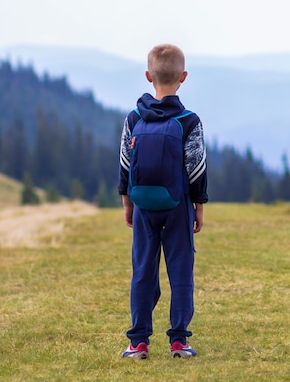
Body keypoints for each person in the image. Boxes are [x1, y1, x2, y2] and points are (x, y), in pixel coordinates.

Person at [117, 44, 208, 359]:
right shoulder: (189, 121)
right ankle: (179, 341)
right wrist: (198, 206)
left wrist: (128, 204)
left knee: (143, 270)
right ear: (183, 77)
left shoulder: (134, 117)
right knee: (180, 271)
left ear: (147, 76)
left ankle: (137, 342)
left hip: (143, 206)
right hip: (176, 205)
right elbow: (196, 167)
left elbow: (125, 165)